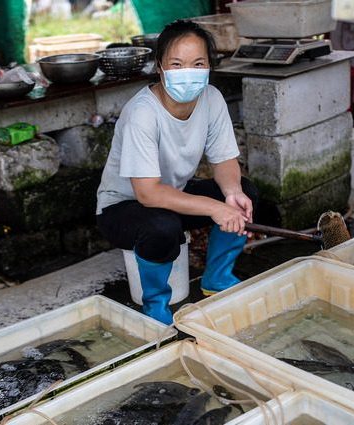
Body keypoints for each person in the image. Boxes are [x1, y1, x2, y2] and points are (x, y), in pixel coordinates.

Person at [95, 20, 258, 325]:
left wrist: (232, 194)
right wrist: (214, 208)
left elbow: (224, 160)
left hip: (174, 197)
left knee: (244, 193)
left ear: (209, 66)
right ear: (160, 67)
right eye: (177, 64)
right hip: (121, 208)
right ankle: (156, 305)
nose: (188, 72)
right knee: (162, 226)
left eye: (198, 63)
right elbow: (147, 194)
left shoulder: (211, 98)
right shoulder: (142, 113)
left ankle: (217, 278)